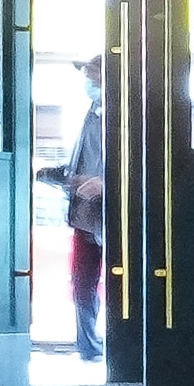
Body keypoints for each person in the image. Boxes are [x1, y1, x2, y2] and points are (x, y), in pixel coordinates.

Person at [60, 55, 113, 364]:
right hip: (84, 215)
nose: (88, 81)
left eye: (92, 75)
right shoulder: (92, 112)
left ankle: (116, 348)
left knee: (113, 281)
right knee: (82, 283)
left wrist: (104, 184)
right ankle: (89, 345)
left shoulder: (119, 114)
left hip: (109, 214)